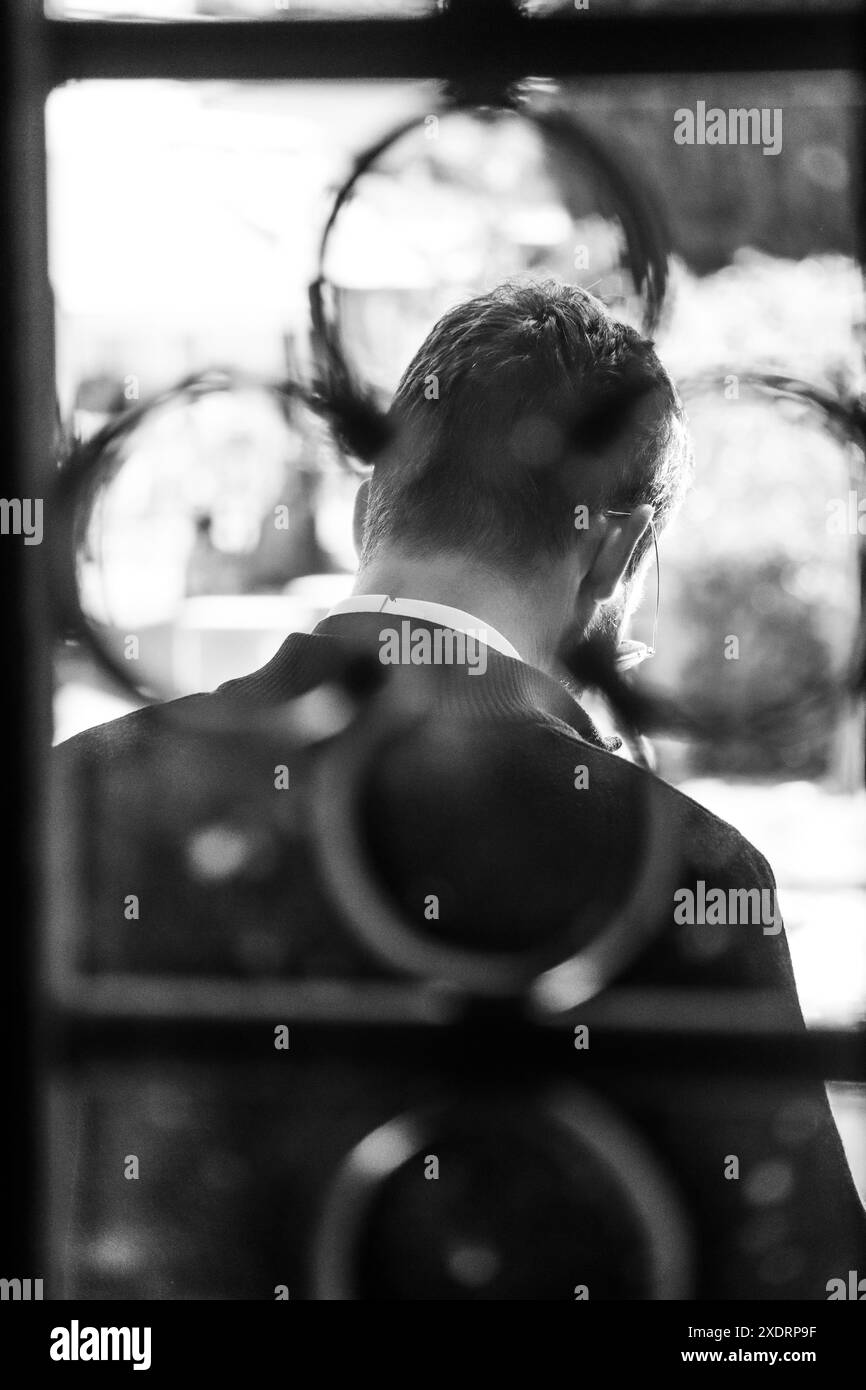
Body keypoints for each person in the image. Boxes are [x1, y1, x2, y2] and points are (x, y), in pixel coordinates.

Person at [54, 281, 866, 1297]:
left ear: (364, 513)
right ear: (616, 552)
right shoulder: (675, 868)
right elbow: (792, 1302)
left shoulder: (83, 792)